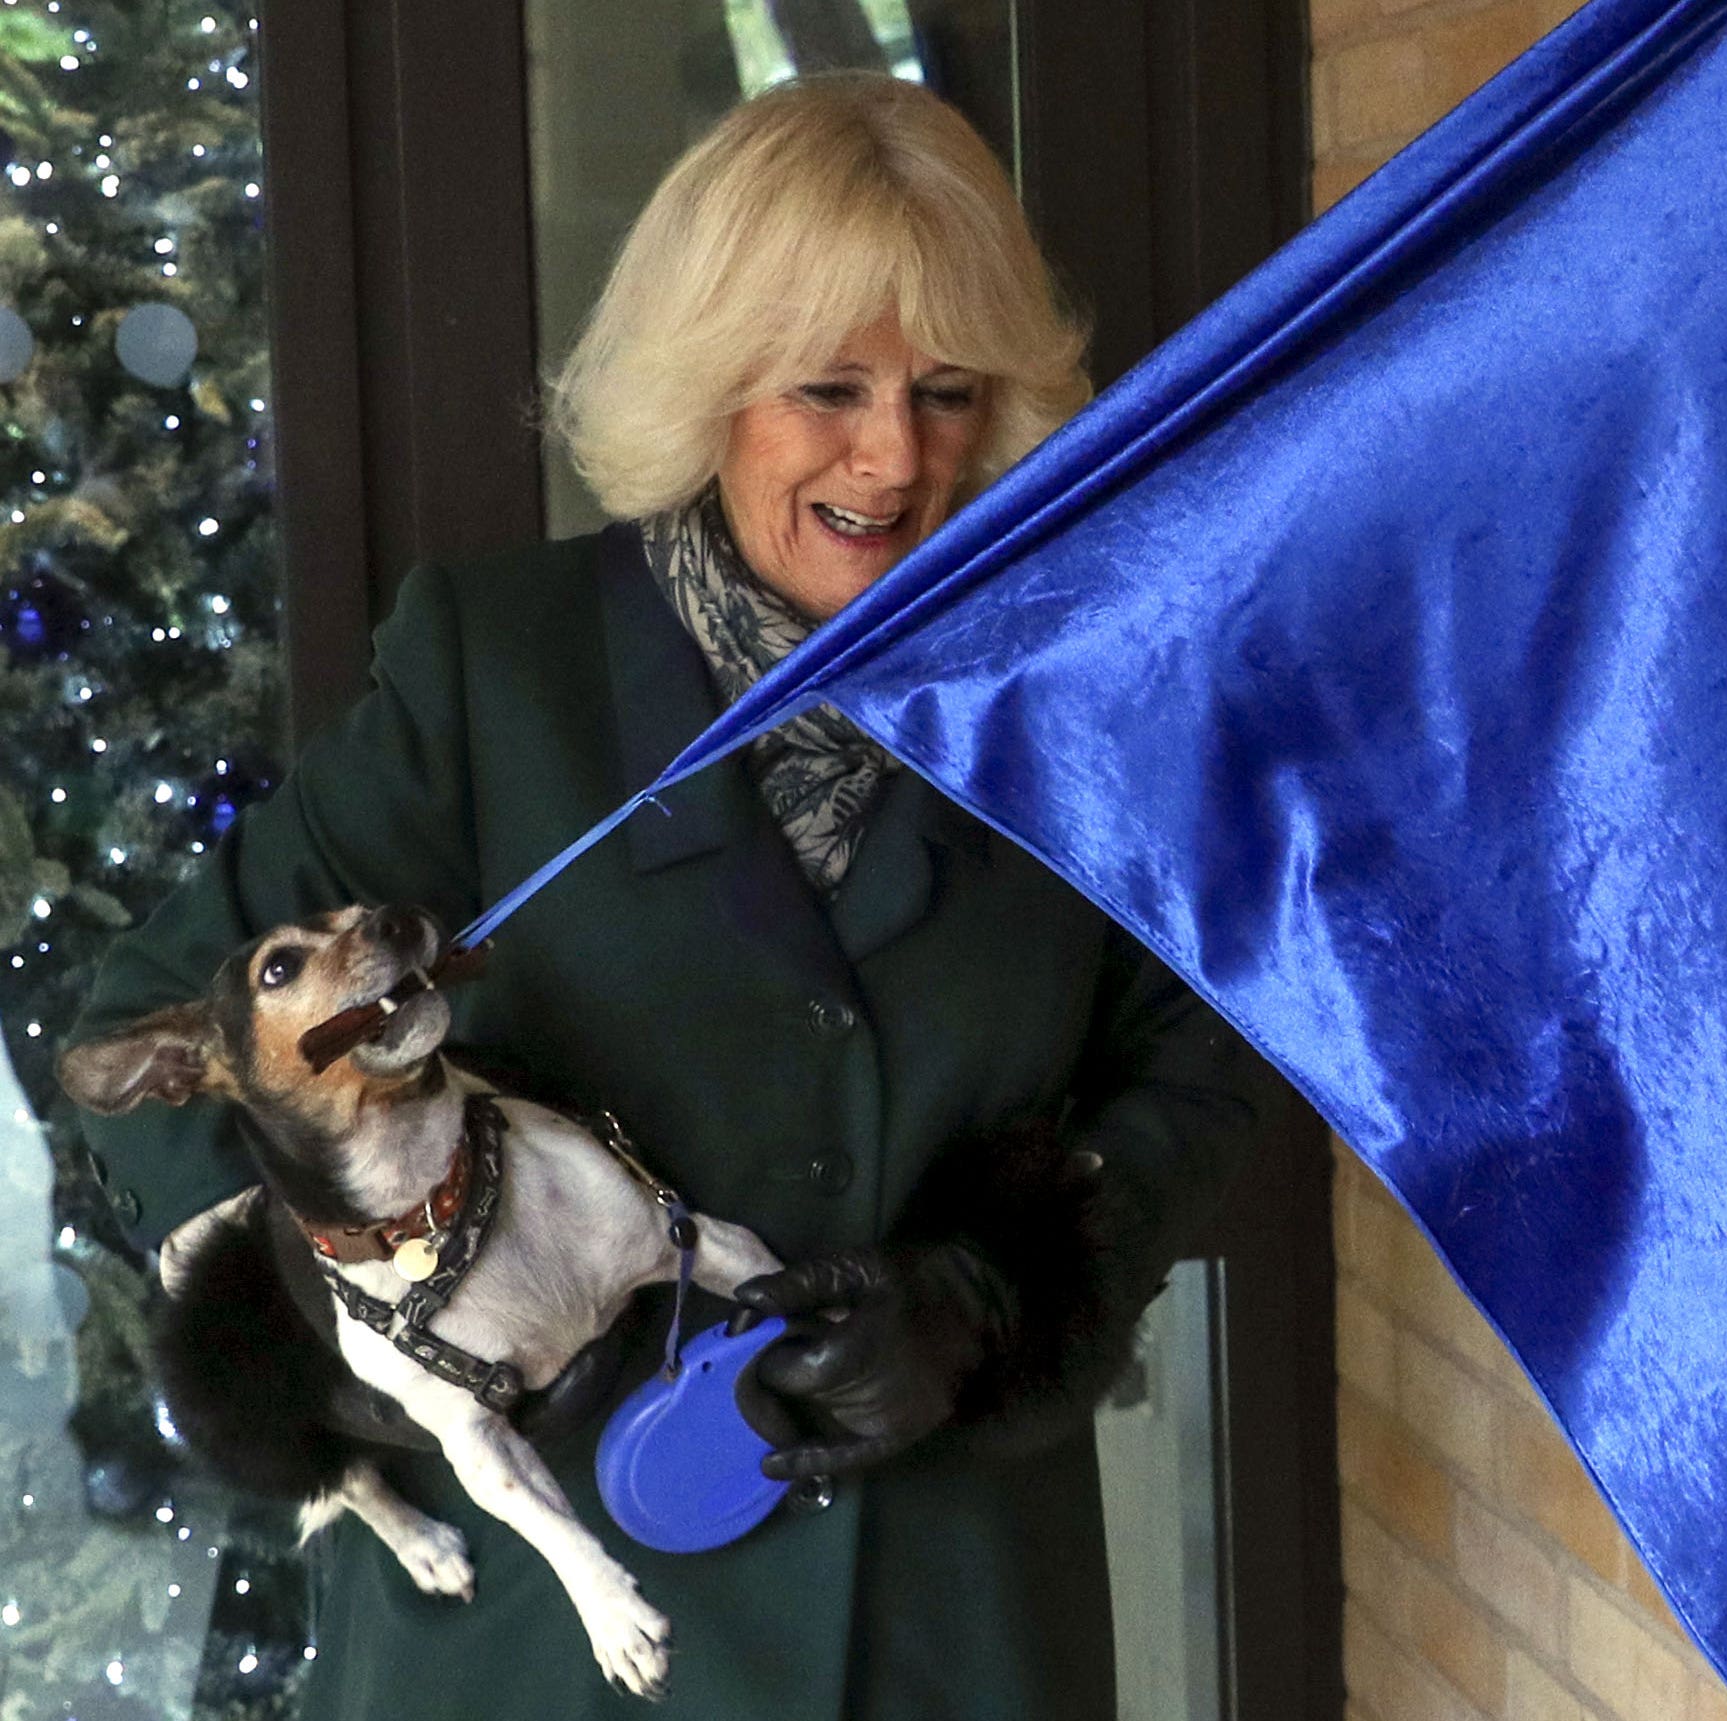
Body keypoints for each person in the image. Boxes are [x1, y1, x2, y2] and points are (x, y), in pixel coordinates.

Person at [72, 72, 1294, 1720]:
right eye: (829, 387)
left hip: (940, 1628)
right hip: (539, 1634)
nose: (895, 454)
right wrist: (333, 1318)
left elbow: (1205, 1055)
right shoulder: (495, 677)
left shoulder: (1071, 702)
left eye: (948, 390)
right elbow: (155, 1018)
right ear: (714, 386)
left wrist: (998, 1288)